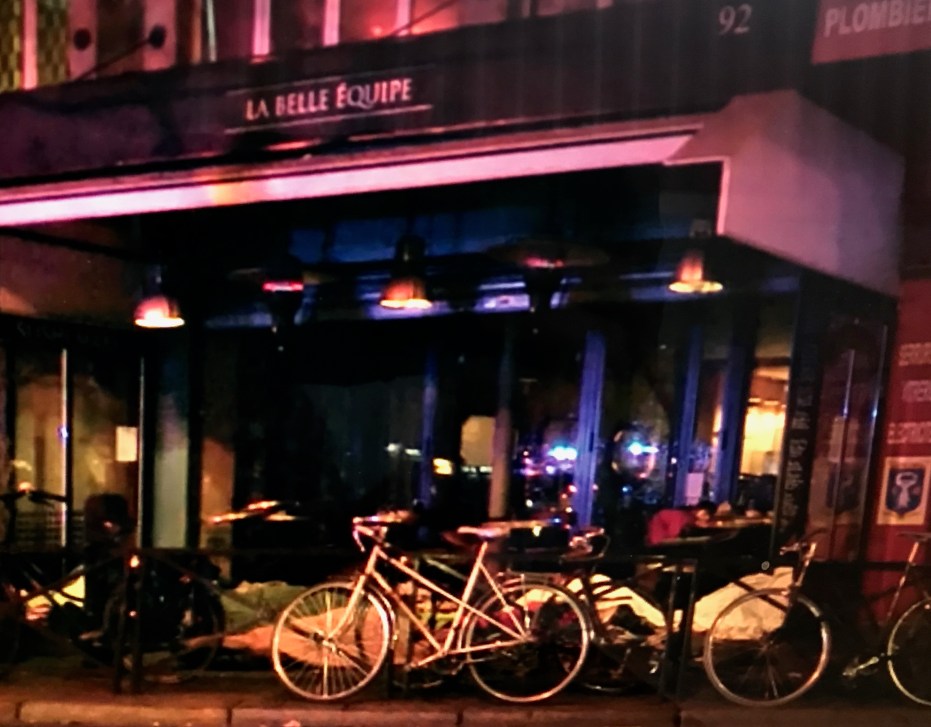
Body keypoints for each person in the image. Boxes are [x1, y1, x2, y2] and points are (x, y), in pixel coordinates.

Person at [645, 501, 715, 545]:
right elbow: (673, 534)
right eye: (705, 513)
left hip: (660, 543)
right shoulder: (679, 516)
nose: (706, 518)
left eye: (709, 515)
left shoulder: (687, 518)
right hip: (658, 545)